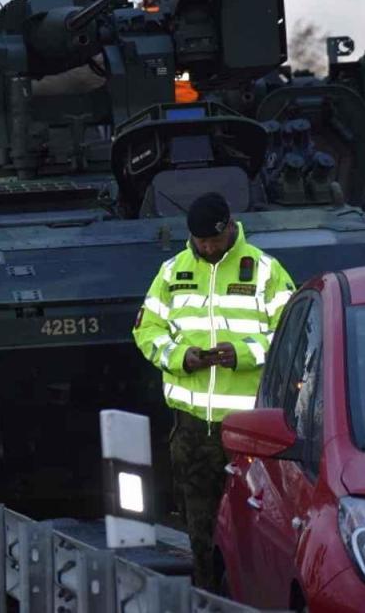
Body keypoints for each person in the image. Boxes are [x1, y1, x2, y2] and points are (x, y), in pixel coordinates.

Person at [132, 191, 295, 589]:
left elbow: (289, 335)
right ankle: (208, 594)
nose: (207, 248)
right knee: (199, 526)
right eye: (201, 241)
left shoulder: (264, 270)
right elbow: (146, 330)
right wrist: (181, 357)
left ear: (230, 230)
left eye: (214, 241)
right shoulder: (172, 272)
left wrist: (239, 353)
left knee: (258, 525)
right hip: (193, 429)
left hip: (251, 430)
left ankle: (254, 594)